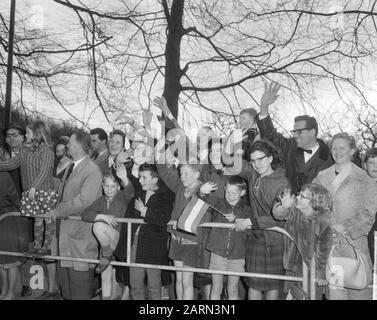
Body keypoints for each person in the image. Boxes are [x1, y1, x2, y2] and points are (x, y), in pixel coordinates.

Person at [313, 133, 377, 300]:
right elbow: (309, 204)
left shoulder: (365, 179)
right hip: (331, 249)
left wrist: (346, 226)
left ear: (352, 151)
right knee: (336, 294)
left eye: (342, 148)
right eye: (334, 148)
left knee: (359, 293)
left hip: (355, 248)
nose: (337, 151)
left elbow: (370, 213)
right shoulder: (322, 177)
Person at [230, 140, 290, 300]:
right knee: (253, 285)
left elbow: (277, 218)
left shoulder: (282, 182)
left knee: (272, 287)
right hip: (255, 239)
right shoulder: (253, 174)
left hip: (274, 241)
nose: (257, 164)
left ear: (270, 158)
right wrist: (232, 143)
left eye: (261, 159)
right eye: (253, 160)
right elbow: (230, 160)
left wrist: (248, 222)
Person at [48, 131, 102, 300]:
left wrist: (59, 210)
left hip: (80, 240)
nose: (67, 146)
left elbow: (84, 200)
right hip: (65, 238)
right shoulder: (71, 166)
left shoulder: (92, 170)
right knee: (68, 291)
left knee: (79, 290)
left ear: (79, 146)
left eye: (70, 142)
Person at [256, 82, 333, 194]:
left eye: (299, 132)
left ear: (312, 132)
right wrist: (264, 106)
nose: (295, 135)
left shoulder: (329, 158)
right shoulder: (289, 146)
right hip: (288, 207)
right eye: (294, 131)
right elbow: (269, 134)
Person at [0, 120, 57, 256]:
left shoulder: (47, 151)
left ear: (37, 133)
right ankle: (37, 246)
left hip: (44, 191)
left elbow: (44, 171)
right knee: (37, 219)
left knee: (47, 219)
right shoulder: (24, 150)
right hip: (30, 192)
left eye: (28, 133)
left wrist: (34, 187)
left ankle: (46, 246)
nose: (25, 135)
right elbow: (12, 163)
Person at [82, 165, 134, 300]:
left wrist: (124, 178)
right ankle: (107, 254)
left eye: (113, 186)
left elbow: (130, 193)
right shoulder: (101, 200)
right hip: (106, 244)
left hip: (120, 240)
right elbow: (85, 214)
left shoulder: (122, 196)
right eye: (106, 186)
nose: (109, 189)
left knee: (97, 227)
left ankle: (107, 254)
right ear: (102, 186)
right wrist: (101, 216)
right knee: (105, 275)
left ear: (118, 187)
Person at [273, 183, 333, 300]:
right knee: (293, 294)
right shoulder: (295, 212)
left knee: (311, 295)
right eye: (299, 194)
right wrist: (284, 206)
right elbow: (278, 214)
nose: (297, 197)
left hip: (312, 268)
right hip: (293, 263)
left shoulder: (322, 220)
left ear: (313, 201)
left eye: (302, 196)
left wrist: (321, 272)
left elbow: (324, 249)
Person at [199, 176, 251, 300]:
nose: (230, 196)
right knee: (216, 288)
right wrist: (202, 192)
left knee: (232, 290)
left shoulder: (247, 209)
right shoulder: (219, 203)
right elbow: (203, 200)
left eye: (234, 193)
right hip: (217, 254)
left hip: (238, 256)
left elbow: (250, 232)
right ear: (224, 189)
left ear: (242, 192)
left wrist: (238, 220)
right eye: (227, 192)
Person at [128, 163, 174, 300]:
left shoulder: (166, 196)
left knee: (154, 283)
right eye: (139, 177)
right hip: (135, 243)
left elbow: (164, 218)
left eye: (143, 177)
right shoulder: (139, 192)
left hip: (154, 245)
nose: (140, 180)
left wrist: (144, 211)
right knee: (135, 282)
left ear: (155, 179)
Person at [1, 123, 33, 298]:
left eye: (15, 135)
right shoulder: (5, 155)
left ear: (23, 137)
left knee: (18, 249)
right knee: (9, 250)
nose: (11, 138)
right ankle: (16, 287)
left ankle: (20, 287)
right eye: (8, 136)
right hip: (6, 209)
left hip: (22, 207)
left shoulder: (27, 154)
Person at [365, 148, 377, 262]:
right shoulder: (360, 185)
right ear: (365, 165)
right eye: (371, 163)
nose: (375, 166)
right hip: (363, 235)